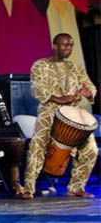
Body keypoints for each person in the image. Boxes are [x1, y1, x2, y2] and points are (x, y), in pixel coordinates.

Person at [19, 33, 97, 199]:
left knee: (90, 150)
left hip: (73, 115)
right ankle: (28, 188)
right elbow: (37, 89)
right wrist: (59, 98)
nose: (69, 48)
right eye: (65, 45)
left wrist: (88, 92)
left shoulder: (75, 68)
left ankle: (76, 187)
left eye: (71, 45)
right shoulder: (40, 65)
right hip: (49, 111)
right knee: (37, 145)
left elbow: (90, 86)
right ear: (55, 46)